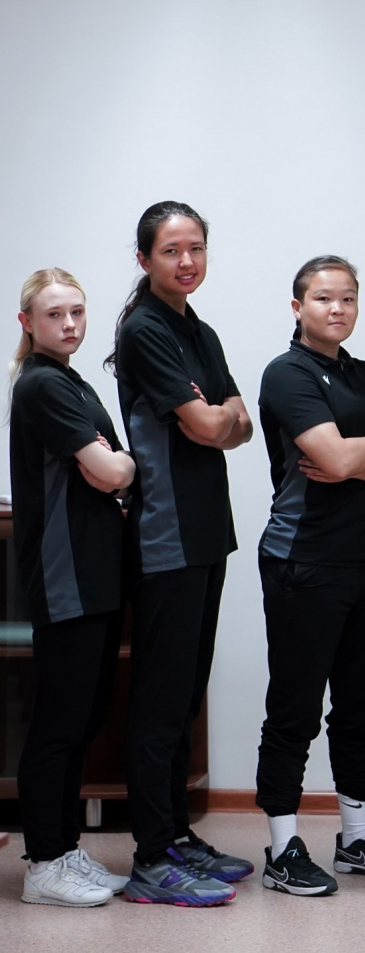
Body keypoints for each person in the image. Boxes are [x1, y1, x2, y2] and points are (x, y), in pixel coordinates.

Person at [254, 256, 365, 896]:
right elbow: (338, 455)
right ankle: (282, 848)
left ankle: (356, 838)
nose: (338, 309)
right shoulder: (286, 372)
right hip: (305, 560)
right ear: (298, 307)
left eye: (348, 298)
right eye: (324, 298)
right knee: (294, 709)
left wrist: (357, 454)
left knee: (360, 708)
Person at [111, 201, 255, 907]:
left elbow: (241, 422)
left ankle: (174, 836)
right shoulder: (144, 329)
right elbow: (205, 424)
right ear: (145, 260)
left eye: (195, 247)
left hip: (206, 532)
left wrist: (218, 416)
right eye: (171, 250)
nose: (186, 261)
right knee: (161, 701)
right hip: (165, 536)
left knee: (186, 694)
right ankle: (149, 857)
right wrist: (215, 416)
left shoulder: (198, 328)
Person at [11, 270, 134, 907]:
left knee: (82, 721)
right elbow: (113, 468)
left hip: (97, 574)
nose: (68, 324)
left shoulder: (72, 381)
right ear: (27, 322)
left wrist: (115, 468)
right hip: (66, 577)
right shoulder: (40, 384)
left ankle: (63, 850)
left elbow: (113, 468)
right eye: (54, 314)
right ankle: (42, 866)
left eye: (77, 312)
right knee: (58, 726)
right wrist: (118, 467)